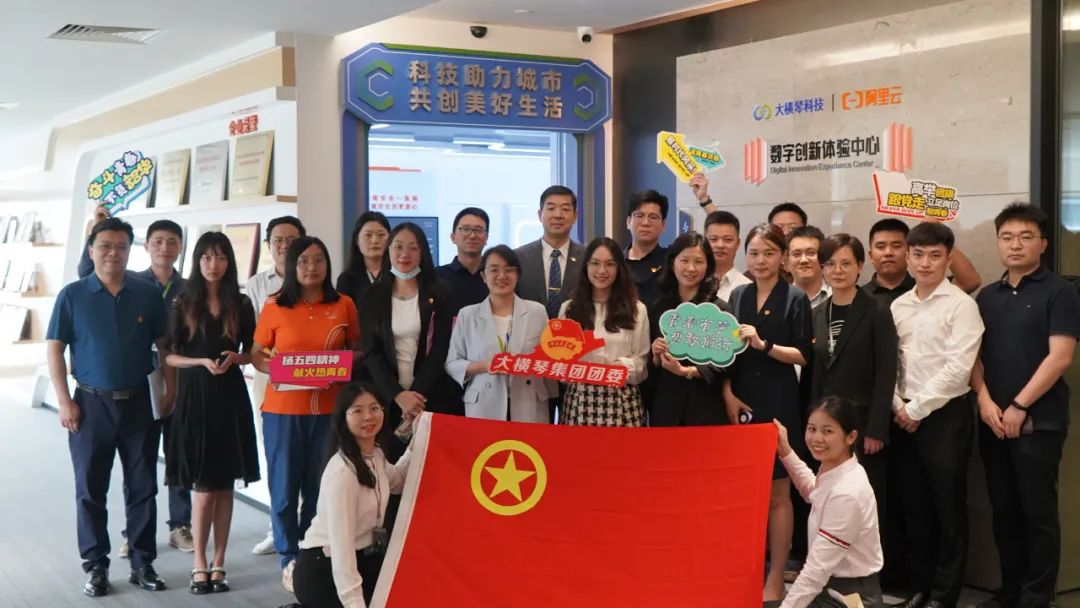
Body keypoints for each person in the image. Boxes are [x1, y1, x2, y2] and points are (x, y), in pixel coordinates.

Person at [46, 217, 172, 596]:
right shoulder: (72, 295)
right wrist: (64, 401)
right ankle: (96, 566)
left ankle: (142, 562)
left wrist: (170, 390)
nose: (113, 253)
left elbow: (164, 346)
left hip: (138, 404)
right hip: (89, 405)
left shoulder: (147, 293)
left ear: (130, 251)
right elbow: (55, 349)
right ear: (91, 250)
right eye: (104, 246)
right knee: (90, 489)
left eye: (120, 246)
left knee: (143, 487)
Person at [970, 204, 1080, 608]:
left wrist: (1019, 405)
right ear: (998, 243)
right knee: (1004, 511)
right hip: (993, 421)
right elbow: (973, 356)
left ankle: (1036, 598)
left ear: (1043, 244)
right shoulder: (987, 296)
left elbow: (1060, 357)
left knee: (1038, 515)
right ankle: (1010, 591)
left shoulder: (1060, 292)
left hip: (1040, 422)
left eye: (1026, 237)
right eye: (1007, 237)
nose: (1015, 245)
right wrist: (984, 400)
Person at [251, 236, 361, 592]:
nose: (311, 267)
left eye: (318, 260)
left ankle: (310, 548)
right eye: (303, 261)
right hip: (283, 411)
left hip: (328, 411)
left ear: (327, 264)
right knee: (284, 488)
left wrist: (339, 365)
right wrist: (278, 369)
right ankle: (288, 557)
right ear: (291, 266)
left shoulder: (343, 304)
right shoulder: (275, 305)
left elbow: (357, 348)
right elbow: (256, 353)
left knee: (320, 485)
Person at [889, 222, 983, 608]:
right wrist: (898, 405)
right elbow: (889, 363)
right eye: (918, 255)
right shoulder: (898, 305)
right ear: (908, 258)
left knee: (947, 508)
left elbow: (959, 368)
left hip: (945, 416)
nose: (925, 263)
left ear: (948, 259)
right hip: (902, 414)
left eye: (934, 255)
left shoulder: (962, 305)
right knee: (913, 505)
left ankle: (944, 596)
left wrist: (916, 408)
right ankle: (919, 587)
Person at [163, 232, 260, 594]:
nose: (213, 264)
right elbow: (170, 356)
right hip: (195, 397)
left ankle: (219, 562)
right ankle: (199, 562)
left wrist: (237, 357)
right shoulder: (183, 302)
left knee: (225, 485)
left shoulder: (241, 303)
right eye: (206, 257)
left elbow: (254, 353)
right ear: (197, 261)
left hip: (229, 396)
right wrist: (201, 361)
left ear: (228, 262)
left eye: (220, 257)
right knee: (204, 488)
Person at [723, 223, 813, 602]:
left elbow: (803, 355)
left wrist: (764, 345)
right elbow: (724, 352)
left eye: (769, 253)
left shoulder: (795, 298)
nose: (761, 260)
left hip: (778, 399)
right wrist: (727, 393)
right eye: (754, 253)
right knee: (743, 492)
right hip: (740, 399)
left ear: (783, 258)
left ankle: (775, 576)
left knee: (778, 493)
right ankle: (745, 571)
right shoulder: (737, 295)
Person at [292, 382, 413, 608]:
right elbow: (342, 547)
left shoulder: (375, 455)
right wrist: (354, 603)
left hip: (364, 558)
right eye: (358, 411)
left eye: (374, 408)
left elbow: (398, 481)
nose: (368, 416)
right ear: (343, 419)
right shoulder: (343, 472)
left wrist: (418, 438)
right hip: (325, 569)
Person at [809, 234, 896, 544]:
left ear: (860, 266)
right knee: (830, 498)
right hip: (827, 425)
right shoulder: (818, 312)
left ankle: (870, 567)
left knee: (865, 500)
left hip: (862, 423)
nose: (838, 270)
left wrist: (876, 429)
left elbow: (886, 372)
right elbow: (817, 371)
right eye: (830, 264)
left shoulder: (876, 310)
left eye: (846, 263)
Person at [775, 397, 884, 608]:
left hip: (851, 597)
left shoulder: (847, 492)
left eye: (827, 431)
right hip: (830, 588)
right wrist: (786, 452)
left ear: (851, 437)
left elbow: (816, 571)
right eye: (812, 429)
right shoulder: (839, 469)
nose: (817, 438)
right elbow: (813, 491)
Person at [362, 221, 456, 456]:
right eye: (398, 247)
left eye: (413, 248)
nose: (405, 254)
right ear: (389, 251)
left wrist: (415, 396)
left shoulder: (439, 291)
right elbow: (371, 352)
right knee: (390, 464)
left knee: (430, 464)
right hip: (386, 398)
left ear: (422, 252)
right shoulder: (373, 295)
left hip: (430, 395)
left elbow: (441, 347)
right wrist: (398, 395)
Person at [248, 215, 306, 557]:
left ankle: (307, 529)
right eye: (278, 240)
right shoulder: (257, 284)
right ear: (269, 245)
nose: (285, 246)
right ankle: (279, 529)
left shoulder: (315, 277)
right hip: (270, 379)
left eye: (292, 239)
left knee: (310, 457)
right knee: (277, 455)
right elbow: (255, 336)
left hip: (312, 381)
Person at [446, 245, 554, 422]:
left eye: (509, 270)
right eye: (494, 270)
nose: (502, 276)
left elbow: (550, 358)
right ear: (483, 276)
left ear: (517, 275)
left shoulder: (537, 311)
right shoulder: (468, 314)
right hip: (484, 403)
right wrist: (485, 366)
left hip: (528, 400)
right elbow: (452, 363)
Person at [559, 237, 650, 427]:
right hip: (579, 401)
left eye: (610, 264)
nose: (602, 271)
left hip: (622, 400)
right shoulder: (569, 309)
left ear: (619, 269)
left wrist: (621, 368)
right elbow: (560, 363)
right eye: (595, 263)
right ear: (586, 267)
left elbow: (642, 362)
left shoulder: (636, 309)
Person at [647, 231, 731, 426]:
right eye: (684, 260)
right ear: (672, 262)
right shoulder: (659, 308)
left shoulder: (719, 309)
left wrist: (686, 371)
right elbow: (650, 367)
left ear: (708, 266)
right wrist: (656, 356)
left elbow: (726, 365)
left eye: (699, 262)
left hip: (705, 410)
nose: (691, 268)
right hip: (666, 411)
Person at [862, 218, 981, 306]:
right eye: (880, 247)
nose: (888, 252)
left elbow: (970, 281)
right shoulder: (858, 296)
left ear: (909, 253)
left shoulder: (930, 287)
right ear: (871, 256)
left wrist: (939, 236)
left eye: (896, 246)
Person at [515, 185, 585, 319]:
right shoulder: (519, 257)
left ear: (575, 216)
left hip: (577, 331)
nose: (557, 215)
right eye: (551, 208)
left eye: (565, 209)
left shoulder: (587, 258)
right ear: (540, 215)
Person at [436, 207, 490, 315]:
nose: (472, 236)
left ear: (486, 238)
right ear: (453, 237)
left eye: (479, 230)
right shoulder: (436, 277)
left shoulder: (495, 278)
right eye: (465, 229)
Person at [624, 189, 669, 308]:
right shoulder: (615, 263)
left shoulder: (671, 261)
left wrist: (704, 201)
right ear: (628, 222)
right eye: (639, 216)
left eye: (653, 217)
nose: (645, 223)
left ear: (663, 225)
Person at [336, 211, 390, 305]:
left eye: (381, 235)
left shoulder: (398, 275)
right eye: (368, 235)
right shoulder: (346, 280)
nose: (375, 240)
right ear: (357, 240)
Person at [704, 210, 751, 302]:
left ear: (738, 243)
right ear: (704, 241)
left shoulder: (747, 288)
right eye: (713, 239)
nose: (720, 245)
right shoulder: (693, 282)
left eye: (728, 240)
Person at [788, 226, 830, 309]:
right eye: (796, 254)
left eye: (811, 253)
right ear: (787, 261)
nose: (803, 260)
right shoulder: (778, 299)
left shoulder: (837, 296)